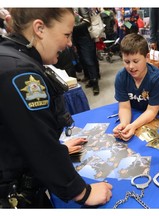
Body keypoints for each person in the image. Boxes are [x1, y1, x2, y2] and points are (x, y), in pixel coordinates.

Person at [0, 8, 112, 208]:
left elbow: (19, 132)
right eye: (66, 35)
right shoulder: (21, 73)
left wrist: (58, 150)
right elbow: (37, 143)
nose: (69, 43)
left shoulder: (9, 56)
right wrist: (82, 192)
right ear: (40, 28)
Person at [113, 33, 159, 142]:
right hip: (137, 114)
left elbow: (151, 111)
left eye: (136, 61)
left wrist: (133, 126)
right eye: (126, 62)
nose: (131, 66)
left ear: (147, 57)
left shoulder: (158, 79)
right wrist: (124, 125)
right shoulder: (121, 77)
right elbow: (124, 107)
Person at [73, 8, 101, 95]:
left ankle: (95, 81)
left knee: (89, 59)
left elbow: (87, 21)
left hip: (84, 36)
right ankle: (90, 77)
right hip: (75, 36)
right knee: (82, 59)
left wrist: (74, 24)